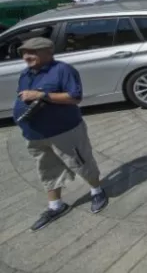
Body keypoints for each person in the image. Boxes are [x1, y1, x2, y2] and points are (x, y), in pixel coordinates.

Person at [12, 37, 108, 231]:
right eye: (24, 53)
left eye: (33, 52)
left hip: (64, 130)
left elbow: (74, 97)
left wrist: (42, 95)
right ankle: (56, 206)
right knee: (46, 169)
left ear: (48, 52)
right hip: (35, 134)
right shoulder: (25, 74)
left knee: (81, 162)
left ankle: (97, 191)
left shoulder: (62, 70)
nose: (27, 56)